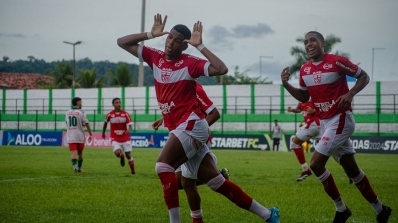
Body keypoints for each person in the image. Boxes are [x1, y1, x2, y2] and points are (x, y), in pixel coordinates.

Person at [118, 13, 280, 223]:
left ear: (184, 46)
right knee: (213, 182)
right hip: (184, 127)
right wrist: (150, 34)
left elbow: (221, 69)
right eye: (170, 38)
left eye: (177, 41)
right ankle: (268, 214)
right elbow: (121, 42)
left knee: (163, 166)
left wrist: (200, 46)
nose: (171, 43)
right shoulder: (155, 56)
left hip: (192, 124)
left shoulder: (189, 62)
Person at [280, 31, 391, 223]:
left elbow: (364, 76)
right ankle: (381, 210)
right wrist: (285, 84)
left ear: (323, 43)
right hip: (325, 123)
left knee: (315, 164)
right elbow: (305, 98)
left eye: (313, 40)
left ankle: (341, 209)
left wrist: (350, 94)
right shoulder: (305, 70)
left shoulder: (337, 62)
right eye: (306, 42)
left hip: (341, 118)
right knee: (352, 170)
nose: (309, 44)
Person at [152, 82, 230, 222]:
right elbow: (185, 112)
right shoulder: (177, 86)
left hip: (194, 139)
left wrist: (195, 131)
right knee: (181, 183)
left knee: (186, 183)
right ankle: (217, 177)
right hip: (183, 138)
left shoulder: (193, 87)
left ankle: (197, 218)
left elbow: (214, 114)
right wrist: (164, 119)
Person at [287, 101, 320, 181]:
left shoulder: (313, 95)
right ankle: (350, 172)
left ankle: (306, 169)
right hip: (318, 126)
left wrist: (315, 110)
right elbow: (299, 109)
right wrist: (292, 110)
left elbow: (322, 106)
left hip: (312, 125)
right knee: (332, 149)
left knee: (294, 144)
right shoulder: (301, 99)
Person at [102, 98, 135, 174]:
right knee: (117, 153)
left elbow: (130, 126)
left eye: (120, 102)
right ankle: (121, 156)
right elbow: (105, 123)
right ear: (113, 104)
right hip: (115, 138)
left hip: (125, 138)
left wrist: (128, 130)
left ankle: (133, 171)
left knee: (128, 155)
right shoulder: (110, 115)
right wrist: (103, 133)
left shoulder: (125, 114)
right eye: (116, 102)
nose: (119, 104)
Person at [65, 97, 92, 173]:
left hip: (71, 135)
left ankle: (75, 168)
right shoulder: (82, 112)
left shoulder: (67, 112)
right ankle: (79, 168)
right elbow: (87, 124)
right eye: (81, 102)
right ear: (77, 103)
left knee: (73, 152)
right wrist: (90, 134)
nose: (81, 103)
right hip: (79, 136)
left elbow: (67, 123)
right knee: (80, 153)